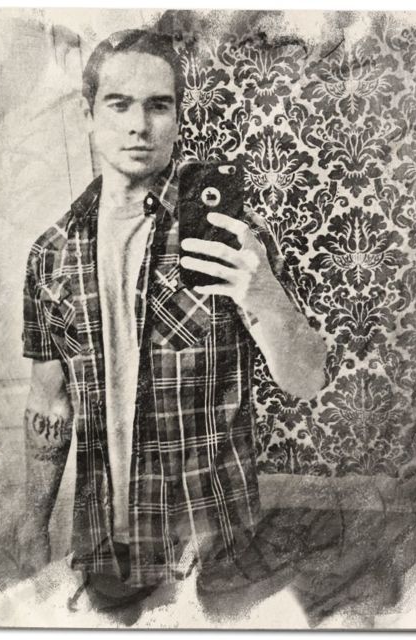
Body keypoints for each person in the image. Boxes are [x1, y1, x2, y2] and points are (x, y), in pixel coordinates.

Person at [18, 29, 327, 618]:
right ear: (88, 114)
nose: (140, 125)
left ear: (179, 116)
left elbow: (307, 379)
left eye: (158, 105)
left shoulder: (228, 235)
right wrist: (32, 529)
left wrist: (262, 291)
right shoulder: (50, 256)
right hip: (106, 552)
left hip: (215, 551)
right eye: (119, 104)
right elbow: (48, 404)